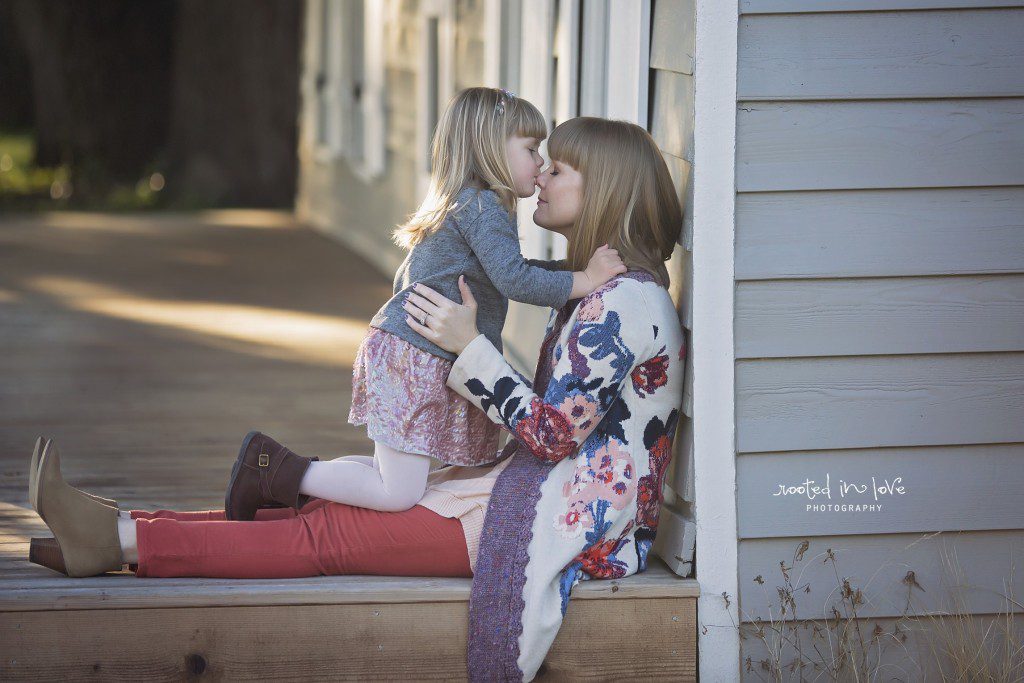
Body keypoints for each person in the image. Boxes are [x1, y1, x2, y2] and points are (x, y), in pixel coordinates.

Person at [28, 116, 685, 683]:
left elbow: (549, 434)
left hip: (563, 525)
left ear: (601, 190)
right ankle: (116, 530)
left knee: (330, 533)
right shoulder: (607, 295)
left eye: (560, 168)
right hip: (531, 494)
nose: (541, 175)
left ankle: (120, 541)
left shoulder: (626, 305)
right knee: (325, 509)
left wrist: (467, 346)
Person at [220, 86, 625, 520]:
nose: (540, 162)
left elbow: (511, 268)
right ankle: (271, 470)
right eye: (531, 148)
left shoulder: (472, 202)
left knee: (388, 474)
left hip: (411, 349)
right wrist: (585, 279)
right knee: (397, 492)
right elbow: (515, 279)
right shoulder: (482, 206)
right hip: (416, 353)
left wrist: (572, 268)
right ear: (491, 150)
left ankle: (289, 480)